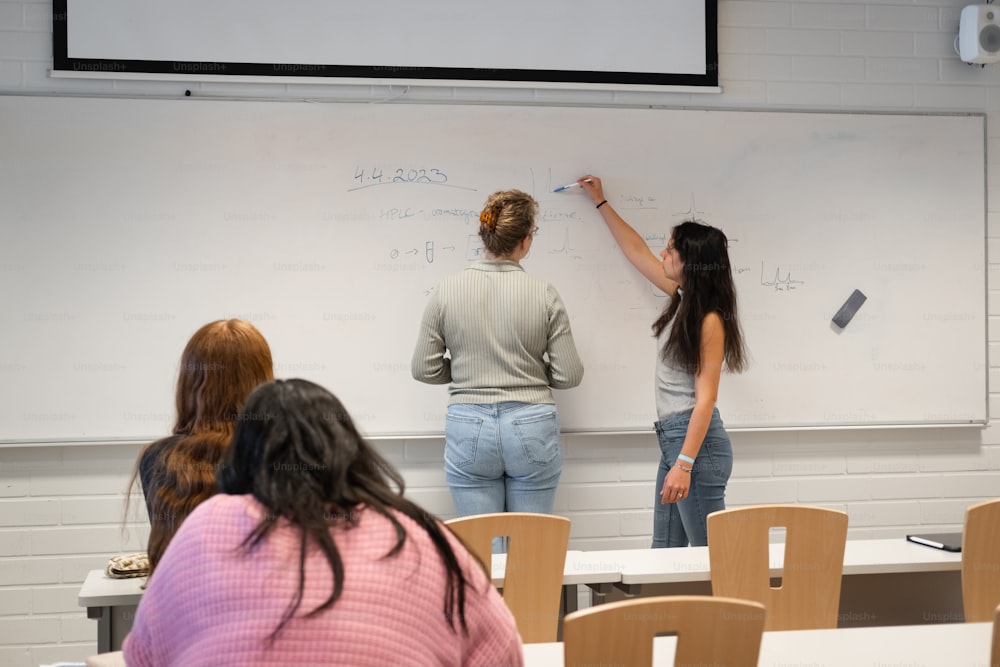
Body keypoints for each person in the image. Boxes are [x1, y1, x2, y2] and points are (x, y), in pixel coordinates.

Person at [122, 378, 523, 666]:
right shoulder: (415, 532)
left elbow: (142, 655)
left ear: (242, 456)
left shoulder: (206, 524)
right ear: (349, 449)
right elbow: (503, 653)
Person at [576, 175, 748, 548]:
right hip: (677, 442)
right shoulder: (685, 299)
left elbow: (706, 399)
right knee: (664, 552)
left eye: (670, 251)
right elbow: (636, 251)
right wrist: (601, 202)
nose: (662, 255)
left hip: (695, 448)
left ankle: (731, 610)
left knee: (710, 558)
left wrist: (684, 464)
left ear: (692, 262)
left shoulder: (710, 320)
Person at [411, 189, 584, 520]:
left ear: (485, 235)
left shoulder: (446, 290)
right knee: (532, 547)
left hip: (468, 422)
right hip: (532, 421)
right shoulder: (544, 293)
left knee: (482, 547)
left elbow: (423, 368)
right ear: (525, 240)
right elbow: (569, 375)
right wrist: (528, 372)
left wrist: (466, 371)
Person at [126, 318, 274, 577]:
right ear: (263, 382)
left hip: (184, 609)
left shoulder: (156, 458)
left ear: (188, 382)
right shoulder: (283, 452)